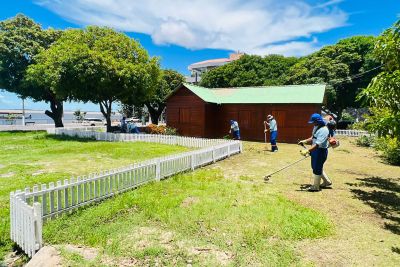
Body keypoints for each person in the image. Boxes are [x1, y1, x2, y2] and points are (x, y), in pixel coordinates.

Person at [298, 113, 332, 192]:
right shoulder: (316, 126)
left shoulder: (324, 130)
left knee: (317, 168)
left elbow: (317, 144)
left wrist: (307, 150)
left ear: (318, 121)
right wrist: (304, 141)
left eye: (313, 122)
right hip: (315, 150)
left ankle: (316, 187)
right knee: (315, 167)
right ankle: (327, 182)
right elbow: (313, 137)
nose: (312, 123)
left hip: (320, 151)